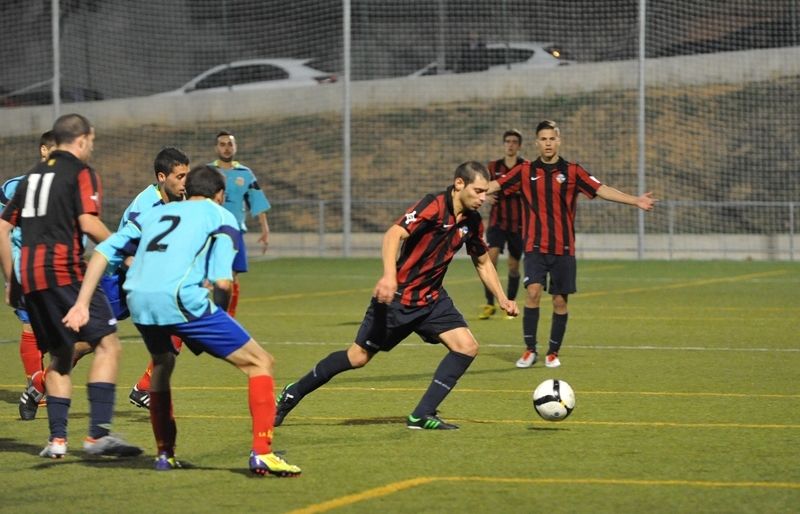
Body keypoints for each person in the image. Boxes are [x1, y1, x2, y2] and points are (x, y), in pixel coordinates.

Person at [63, 165, 301, 476]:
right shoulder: (221, 216)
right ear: (220, 195)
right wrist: (218, 319)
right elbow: (223, 282)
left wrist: (82, 303)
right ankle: (263, 453)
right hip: (179, 300)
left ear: (188, 190)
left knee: (162, 365)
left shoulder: (154, 213)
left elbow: (103, 252)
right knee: (260, 362)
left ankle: (165, 454)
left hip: (139, 300)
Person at [274, 161, 518, 430]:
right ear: (459, 184)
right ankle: (292, 393)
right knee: (357, 357)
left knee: (467, 347)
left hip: (432, 299)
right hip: (398, 299)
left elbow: (482, 262)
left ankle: (422, 415)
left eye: (485, 192)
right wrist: (390, 276)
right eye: (478, 191)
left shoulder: (472, 221)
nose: (483, 198)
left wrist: (502, 297)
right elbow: (393, 234)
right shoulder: (433, 206)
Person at [0, 113, 141, 458]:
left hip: (31, 279)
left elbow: (1, 228)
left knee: (61, 356)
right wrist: (125, 251)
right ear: (81, 139)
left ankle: (58, 440)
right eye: (91, 140)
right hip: (65, 272)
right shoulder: (81, 172)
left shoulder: (31, 177)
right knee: (108, 345)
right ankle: (97, 436)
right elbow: (88, 223)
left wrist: (11, 279)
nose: (92, 147)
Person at [487, 120, 657, 369]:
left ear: (558, 141)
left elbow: (601, 189)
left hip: (563, 248)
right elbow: (495, 185)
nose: (548, 143)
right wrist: (467, 192)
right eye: (543, 139)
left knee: (560, 301)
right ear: (536, 143)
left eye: (551, 139)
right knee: (532, 293)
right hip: (534, 246)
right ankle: (530, 350)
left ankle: (553, 352)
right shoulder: (525, 170)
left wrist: (635, 200)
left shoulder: (573, 171)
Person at [103, 147, 190, 410]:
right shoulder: (145, 205)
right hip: (117, 279)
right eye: (180, 176)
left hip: (146, 282)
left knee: (179, 325)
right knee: (86, 343)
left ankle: (144, 387)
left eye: (187, 175)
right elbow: (123, 249)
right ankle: (42, 385)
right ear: (162, 177)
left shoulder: (179, 201)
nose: (185, 182)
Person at [209, 131, 271, 317]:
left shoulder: (245, 174)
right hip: (210, 232)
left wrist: (265, 229)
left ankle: (228, 316)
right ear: (216, 148)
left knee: (232, 276)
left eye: (230, 144)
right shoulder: (208, 172)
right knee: (207, 277)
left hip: (234, 233)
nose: (226, 148)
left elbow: (256, 201)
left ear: (235, 147)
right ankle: (205, 316)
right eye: (222, 144)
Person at [479, 129, 525, 320]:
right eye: (508, 141)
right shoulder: (493, 166)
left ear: (519, 146)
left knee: (513, 266)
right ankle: (490, 303)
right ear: (504, 144)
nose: (510, 145)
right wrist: (486, 196)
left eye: (514, 142)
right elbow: (482, 187)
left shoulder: (525, 167)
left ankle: (510, 304)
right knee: (490, 260)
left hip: (518, 224)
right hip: (497, 222)